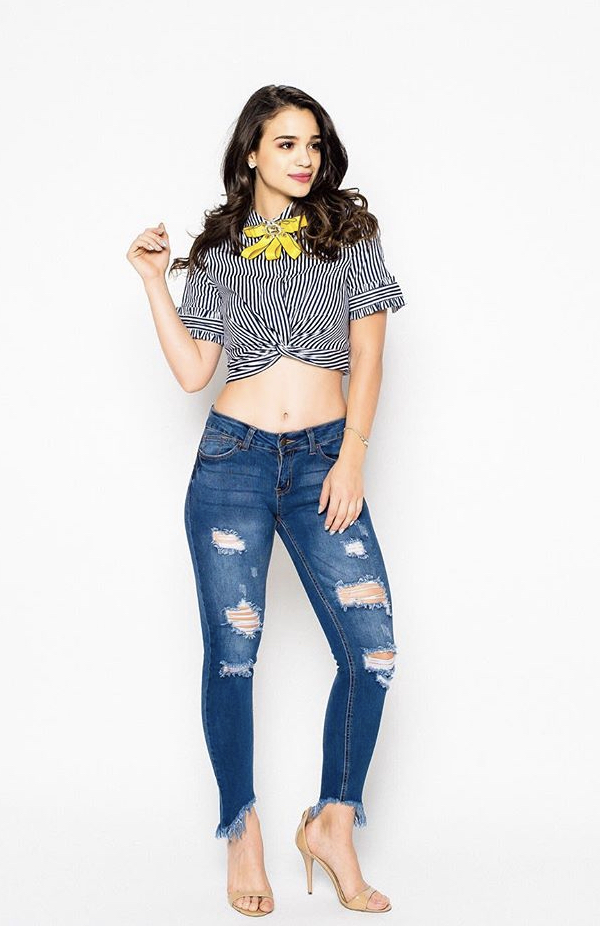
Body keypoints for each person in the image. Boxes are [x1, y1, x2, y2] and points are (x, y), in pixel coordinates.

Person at [126, 84, 407, 917]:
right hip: (233, 464)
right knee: (233, 654)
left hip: (324, 459)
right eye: (286, 143)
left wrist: (351, 456)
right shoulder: (218, 249)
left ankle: (333, 825)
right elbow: (193, 371)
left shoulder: (349, 234)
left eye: (313, 143)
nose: (304, 158)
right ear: (252, 151)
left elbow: (369, 354)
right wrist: (153, 282)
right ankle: (242, 830)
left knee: (372, 651)